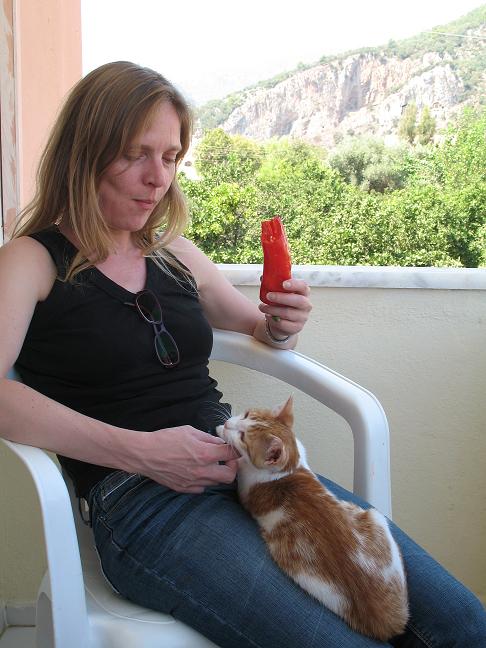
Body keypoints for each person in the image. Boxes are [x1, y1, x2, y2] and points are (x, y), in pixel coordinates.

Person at [0, 61, 484, 648]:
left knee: (461, 623)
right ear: (85, 152)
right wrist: (142, 452)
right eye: (135, 154)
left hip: (250, 467)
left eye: (171, 157)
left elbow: (258, 327)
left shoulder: (172, 251)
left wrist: (282, 323)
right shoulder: (32, 260)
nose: (158, 178)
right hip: (143, 501)